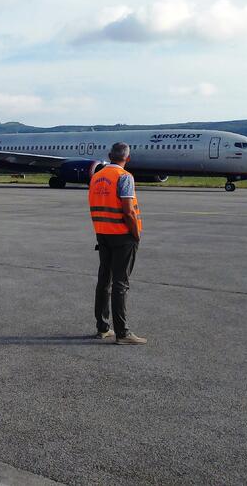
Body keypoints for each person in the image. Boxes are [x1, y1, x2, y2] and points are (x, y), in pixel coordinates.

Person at [89, 142, 146, 345]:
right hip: (122, 236)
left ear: (109, 155)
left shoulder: (96, 176)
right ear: (127, 158)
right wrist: (136, 233)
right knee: (121, 283)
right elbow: (128, 210)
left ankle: (102, 327)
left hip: (102, 234)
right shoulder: (124, 177)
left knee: (104, 281)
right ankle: (123, 333)